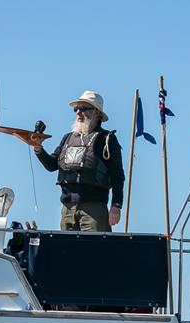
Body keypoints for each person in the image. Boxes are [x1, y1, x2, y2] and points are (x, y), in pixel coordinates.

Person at [33, 90, 125, 232]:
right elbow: (52, 165)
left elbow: (117, 175)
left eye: (83, 108)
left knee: (95, 251)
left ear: (97, 113)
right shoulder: (67, 138)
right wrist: (38, 148)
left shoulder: (107, 139)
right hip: (67, 210)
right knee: (67, 251)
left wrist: (116, 206)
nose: (78, 113)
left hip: (94, 209)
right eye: (76, 109)